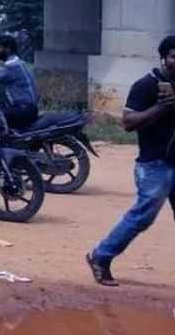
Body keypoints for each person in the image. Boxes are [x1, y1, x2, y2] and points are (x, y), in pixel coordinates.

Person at [87, 35, 175, 287]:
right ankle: (100, 257)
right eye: (174, 56)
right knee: (142, 216)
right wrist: (160, 108)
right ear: (164, 58)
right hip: (154, 164)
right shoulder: (146, 85)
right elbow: (127, 122)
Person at [0, 34, 38, 130]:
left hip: (23, 110)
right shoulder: (19, 62)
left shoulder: (10, 66)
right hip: (31, 108)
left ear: (8, 49)